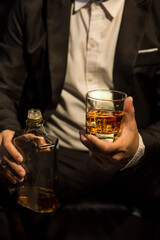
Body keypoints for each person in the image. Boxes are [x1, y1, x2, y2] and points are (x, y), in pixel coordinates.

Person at [0, 0, 160, 210]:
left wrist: (139, 146)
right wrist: (5, 131)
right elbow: (5, 87)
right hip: (54, 152)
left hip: (140, 157)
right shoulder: (31, 6)